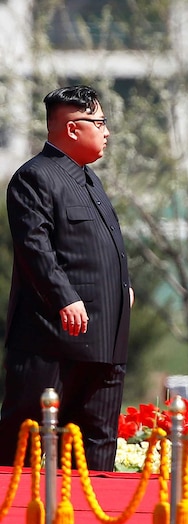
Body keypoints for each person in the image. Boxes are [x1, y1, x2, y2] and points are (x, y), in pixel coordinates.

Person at [0, 85, 133, 471]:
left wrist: (122, 289)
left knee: (95, 436)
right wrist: (64, 298)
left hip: (105, 334)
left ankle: (89, 520)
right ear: (74, 129)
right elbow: (35, 248)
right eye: (100, 122)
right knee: (26, 435)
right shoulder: (34, 177)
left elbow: (99, 249)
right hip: (52, 339)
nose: (107, 132)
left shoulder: (91, 181)